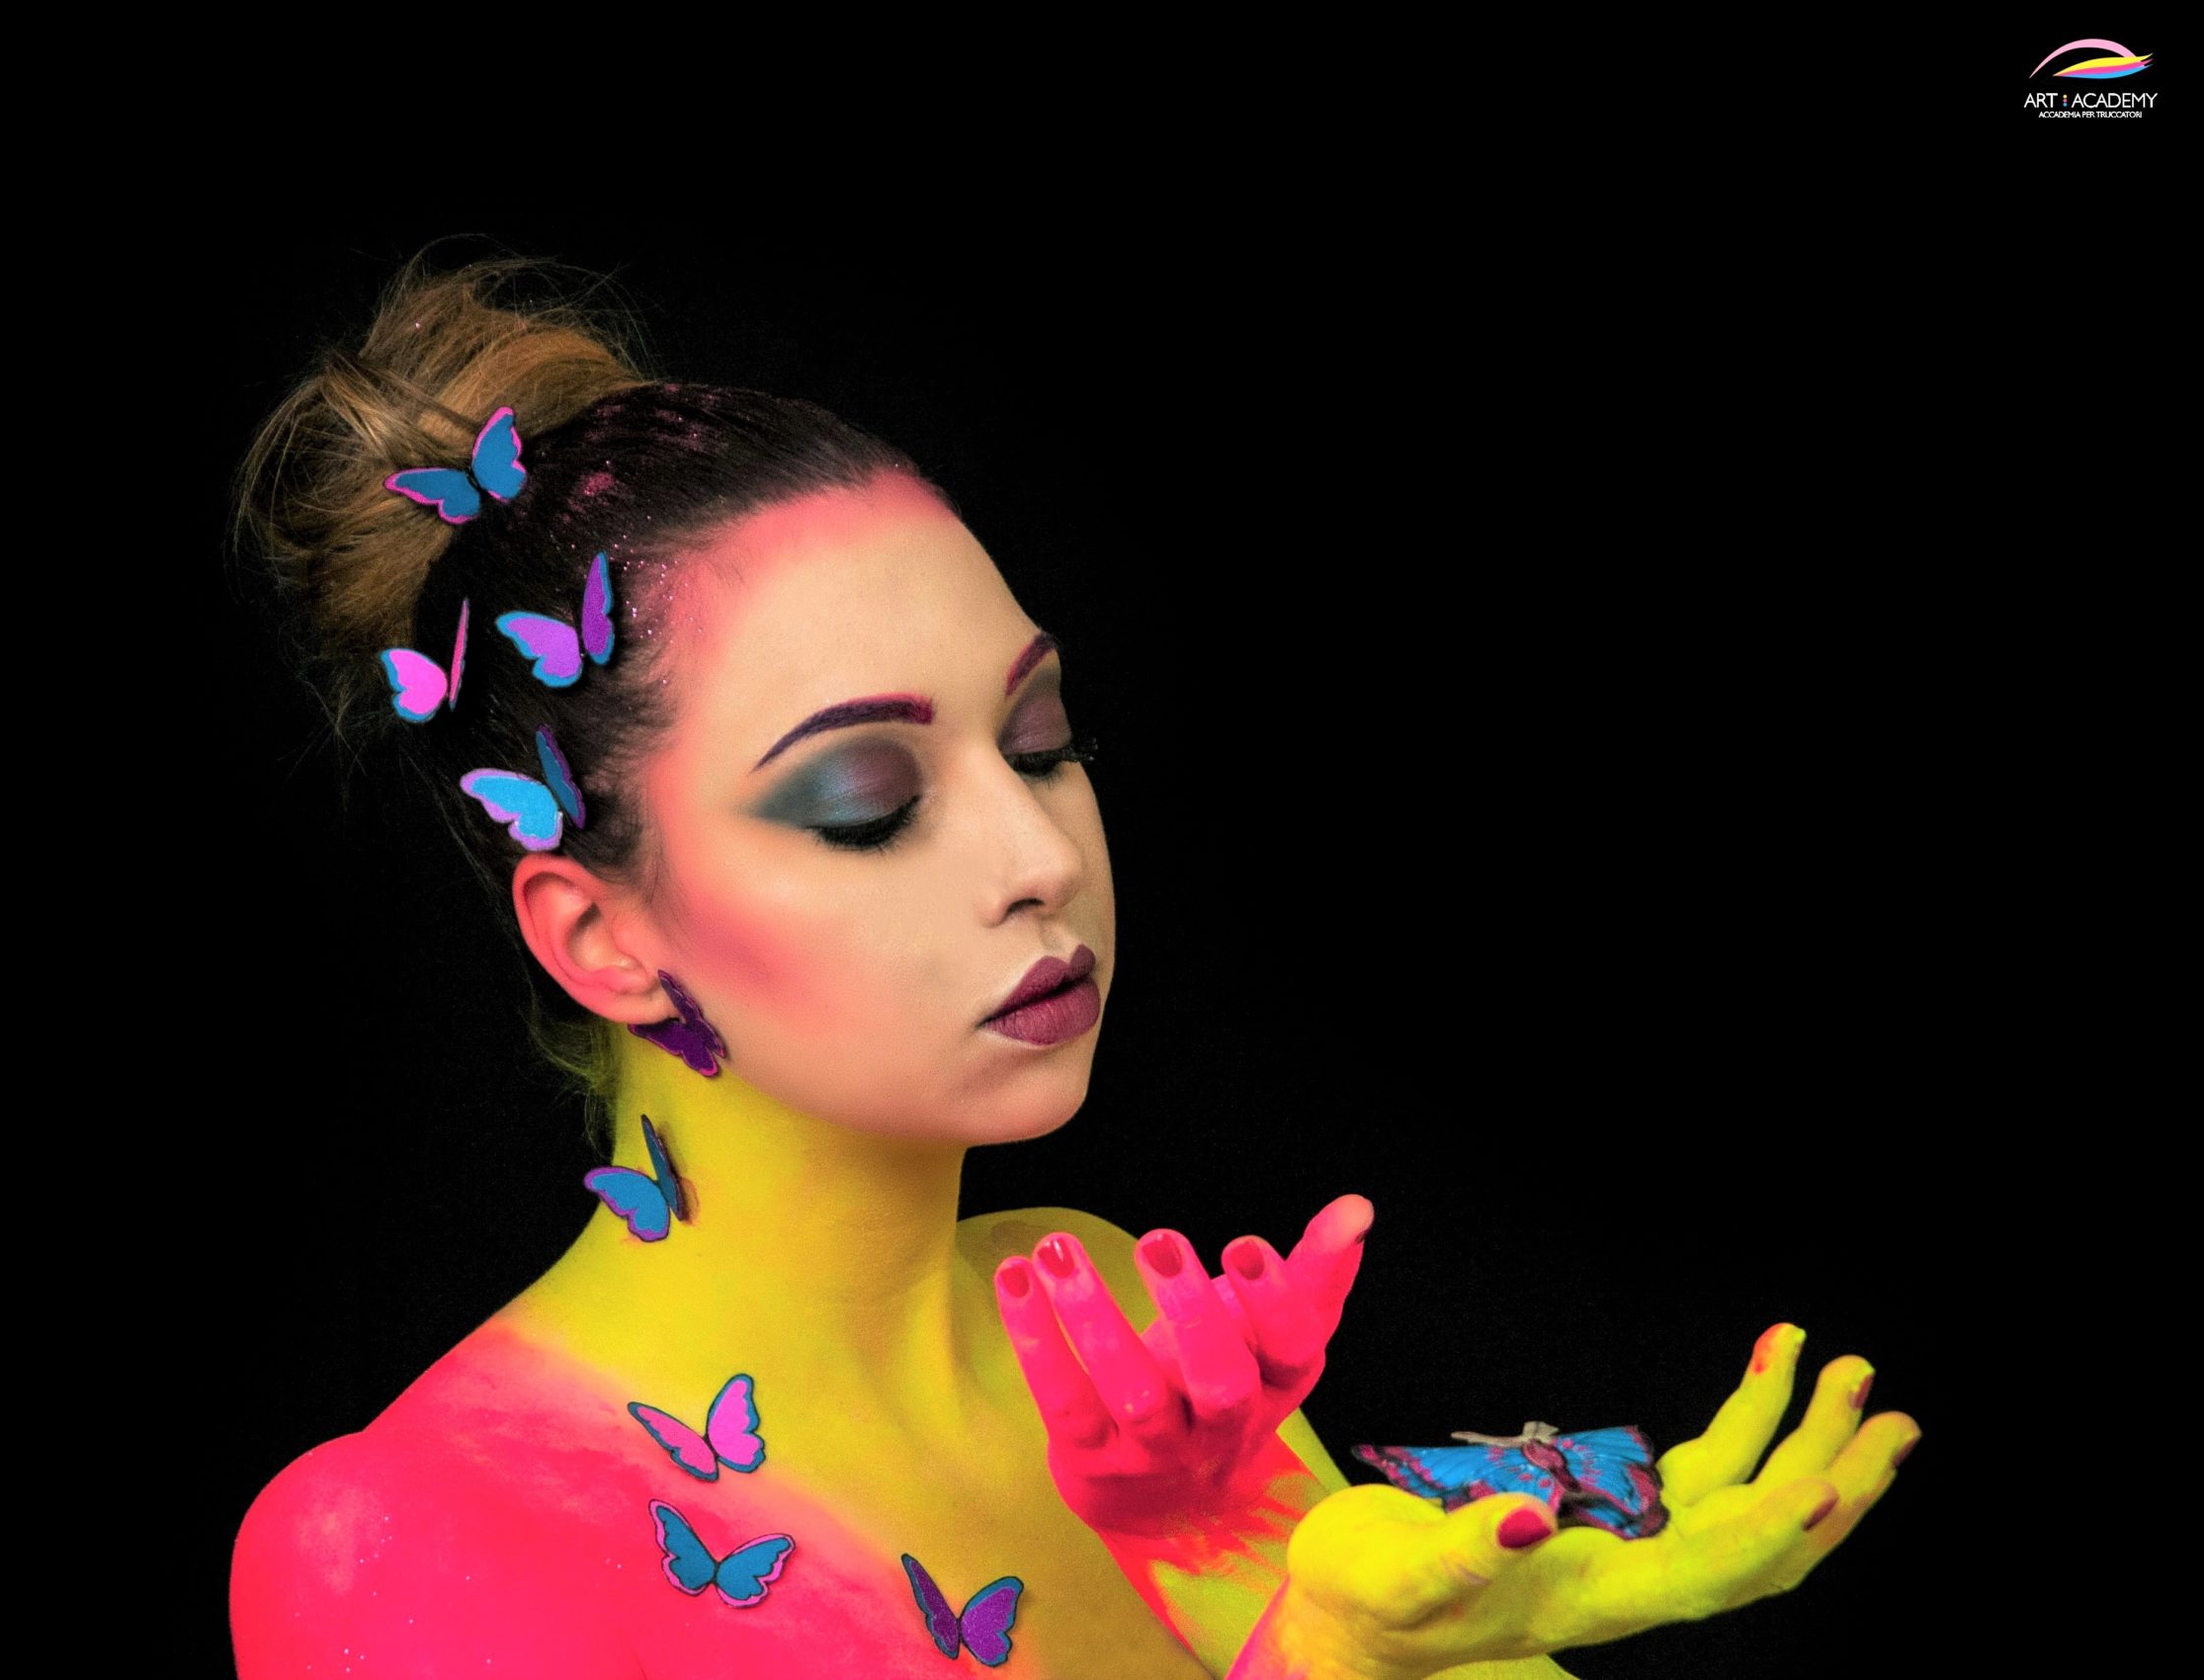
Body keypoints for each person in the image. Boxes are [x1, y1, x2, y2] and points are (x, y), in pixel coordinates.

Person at [225, 255, 1919, 1678]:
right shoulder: (392, 1546)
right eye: (870, 803)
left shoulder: (1107, 1331)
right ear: (602, 936)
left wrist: (1415, 1637)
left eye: (1040, 743)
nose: (1040, 856)